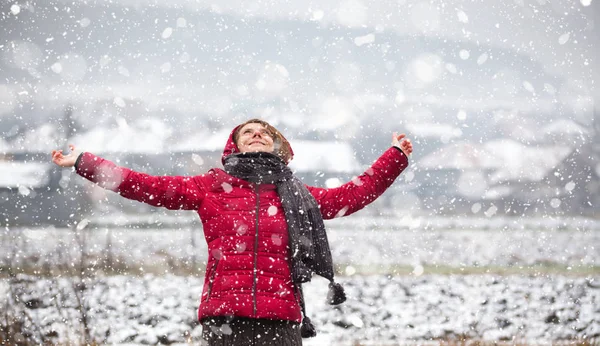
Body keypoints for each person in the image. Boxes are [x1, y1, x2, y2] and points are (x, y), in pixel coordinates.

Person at [51, 119, 413, 346]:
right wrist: (85, 163)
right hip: (225, 317)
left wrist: (393, 157)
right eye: (248, 133)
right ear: (235, 146)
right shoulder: (211, 186)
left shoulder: (298, 194)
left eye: (265, 134)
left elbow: (351, 195)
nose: (257, 135)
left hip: (281, 319)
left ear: (278, 147)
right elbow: (148, 185)